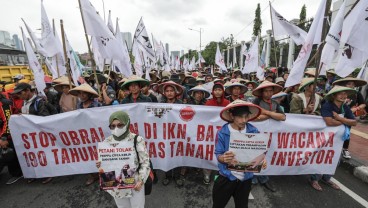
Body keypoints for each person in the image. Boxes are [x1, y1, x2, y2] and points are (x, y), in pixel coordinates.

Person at [213, 100, 262, 208]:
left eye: (246, 116)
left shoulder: (253, 131)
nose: (244, 120)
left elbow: (259, 151)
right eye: (240, 117)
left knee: (242, 205)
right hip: (226, 177)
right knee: (218, 205)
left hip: (246, 178)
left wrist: (262, 160)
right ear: (232, 116)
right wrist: (223, 158)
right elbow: (218, 154)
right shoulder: (222, 132)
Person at [96, 111, 150, 208]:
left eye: (120, 125)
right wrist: (100, 165)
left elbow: (145, 163)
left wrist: (141, 180)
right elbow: (105, 164)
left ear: (127, 123)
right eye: (112, 126)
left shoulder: (137, 140)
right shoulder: (107, 142)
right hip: (116, 186)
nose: (116, 128)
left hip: (135, 183)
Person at [310, 86, 357, 191]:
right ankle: (315, 179)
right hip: (325, 138)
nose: (343, 96)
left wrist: (339, 118)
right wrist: (345, 120)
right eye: (340, 93)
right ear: (334, 95)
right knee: (321, 158)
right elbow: (329, 122)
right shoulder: (327, 106)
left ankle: (326, 178)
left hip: (338, 140)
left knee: (335, 159)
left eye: (345, 94)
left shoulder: (345, 107)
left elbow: (354, 122)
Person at [10, 83, 53, 184]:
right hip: (29, 135)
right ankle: (34, 173)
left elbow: (44, 118)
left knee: (43, 153)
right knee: (32, 154)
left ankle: (48, 173)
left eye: (20, 93)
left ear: (27, 91)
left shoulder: (40, 102)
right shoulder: (24, 103)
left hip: (39, 134)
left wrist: (28, 117)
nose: (18, 96)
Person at [251, 81, 285, 192]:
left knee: (268, 154)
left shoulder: (275, 103)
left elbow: (282, 117)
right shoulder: (256, 101)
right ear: (262, 92)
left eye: (271, 91)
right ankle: (254, 178)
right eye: (266, 91)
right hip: (256, 133)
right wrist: (271, 114)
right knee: (256, 153)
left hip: (270, 135)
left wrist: (266, 112)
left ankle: (264, 178)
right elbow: (254, 117)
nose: (269, 93)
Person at [69, 83, 102, 185]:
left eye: (84, 93)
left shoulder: (97, 104)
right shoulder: (78, 105)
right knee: (87, 153)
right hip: (83, 134)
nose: (82, 96)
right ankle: (92, 175)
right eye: (80, 93)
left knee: (99, 153)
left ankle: (102, 173)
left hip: (95, 133)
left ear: (89, 95)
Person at [332, 77, 367, 159]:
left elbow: (363, 104)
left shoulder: (356, 93)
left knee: (346, 132)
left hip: (349, 117)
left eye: (353, 84)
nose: (351, 85)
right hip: (336, 115)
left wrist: (356, 108)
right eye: (349, 83)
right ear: (344, 84)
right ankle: (332, 147)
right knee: (334, 131)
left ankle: (344, 149)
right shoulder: (337, 92)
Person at [159, 81, 184, 186]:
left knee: (177, 154)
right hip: (165, 134)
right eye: (167, 91)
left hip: (178, 133)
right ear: (164, 93)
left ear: (175, 92)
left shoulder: (181, 104)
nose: (169, 93)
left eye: (171, 91)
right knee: (167, 155)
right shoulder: (160, 105)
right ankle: (168, 175)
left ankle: (177, 176)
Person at [0, 92, 23, 185]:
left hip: (8, 134)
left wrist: (4, 137)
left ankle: (17, 174)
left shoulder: (4, 104)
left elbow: (8, 121)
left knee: (9, 154)